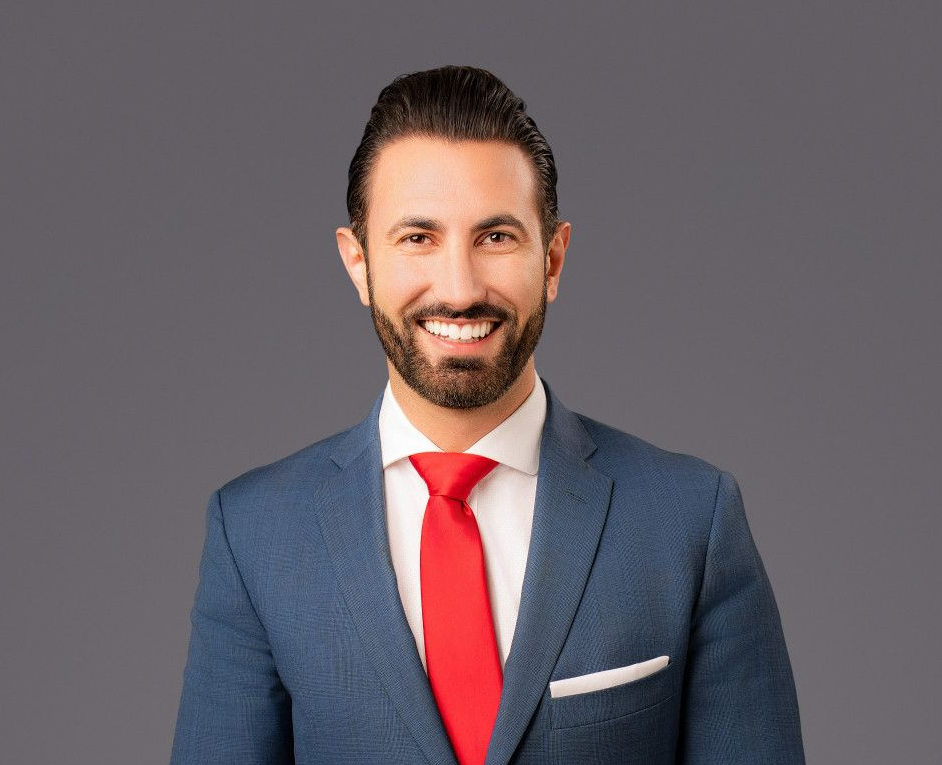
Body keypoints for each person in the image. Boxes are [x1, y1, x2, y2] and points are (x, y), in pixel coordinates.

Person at [169, 65, 805, 765]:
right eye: (418, 237)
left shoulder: (691, 521)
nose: (460, 287)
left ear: (553, 258)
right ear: (358, 263)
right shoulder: (256, 534)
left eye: (495, 237)